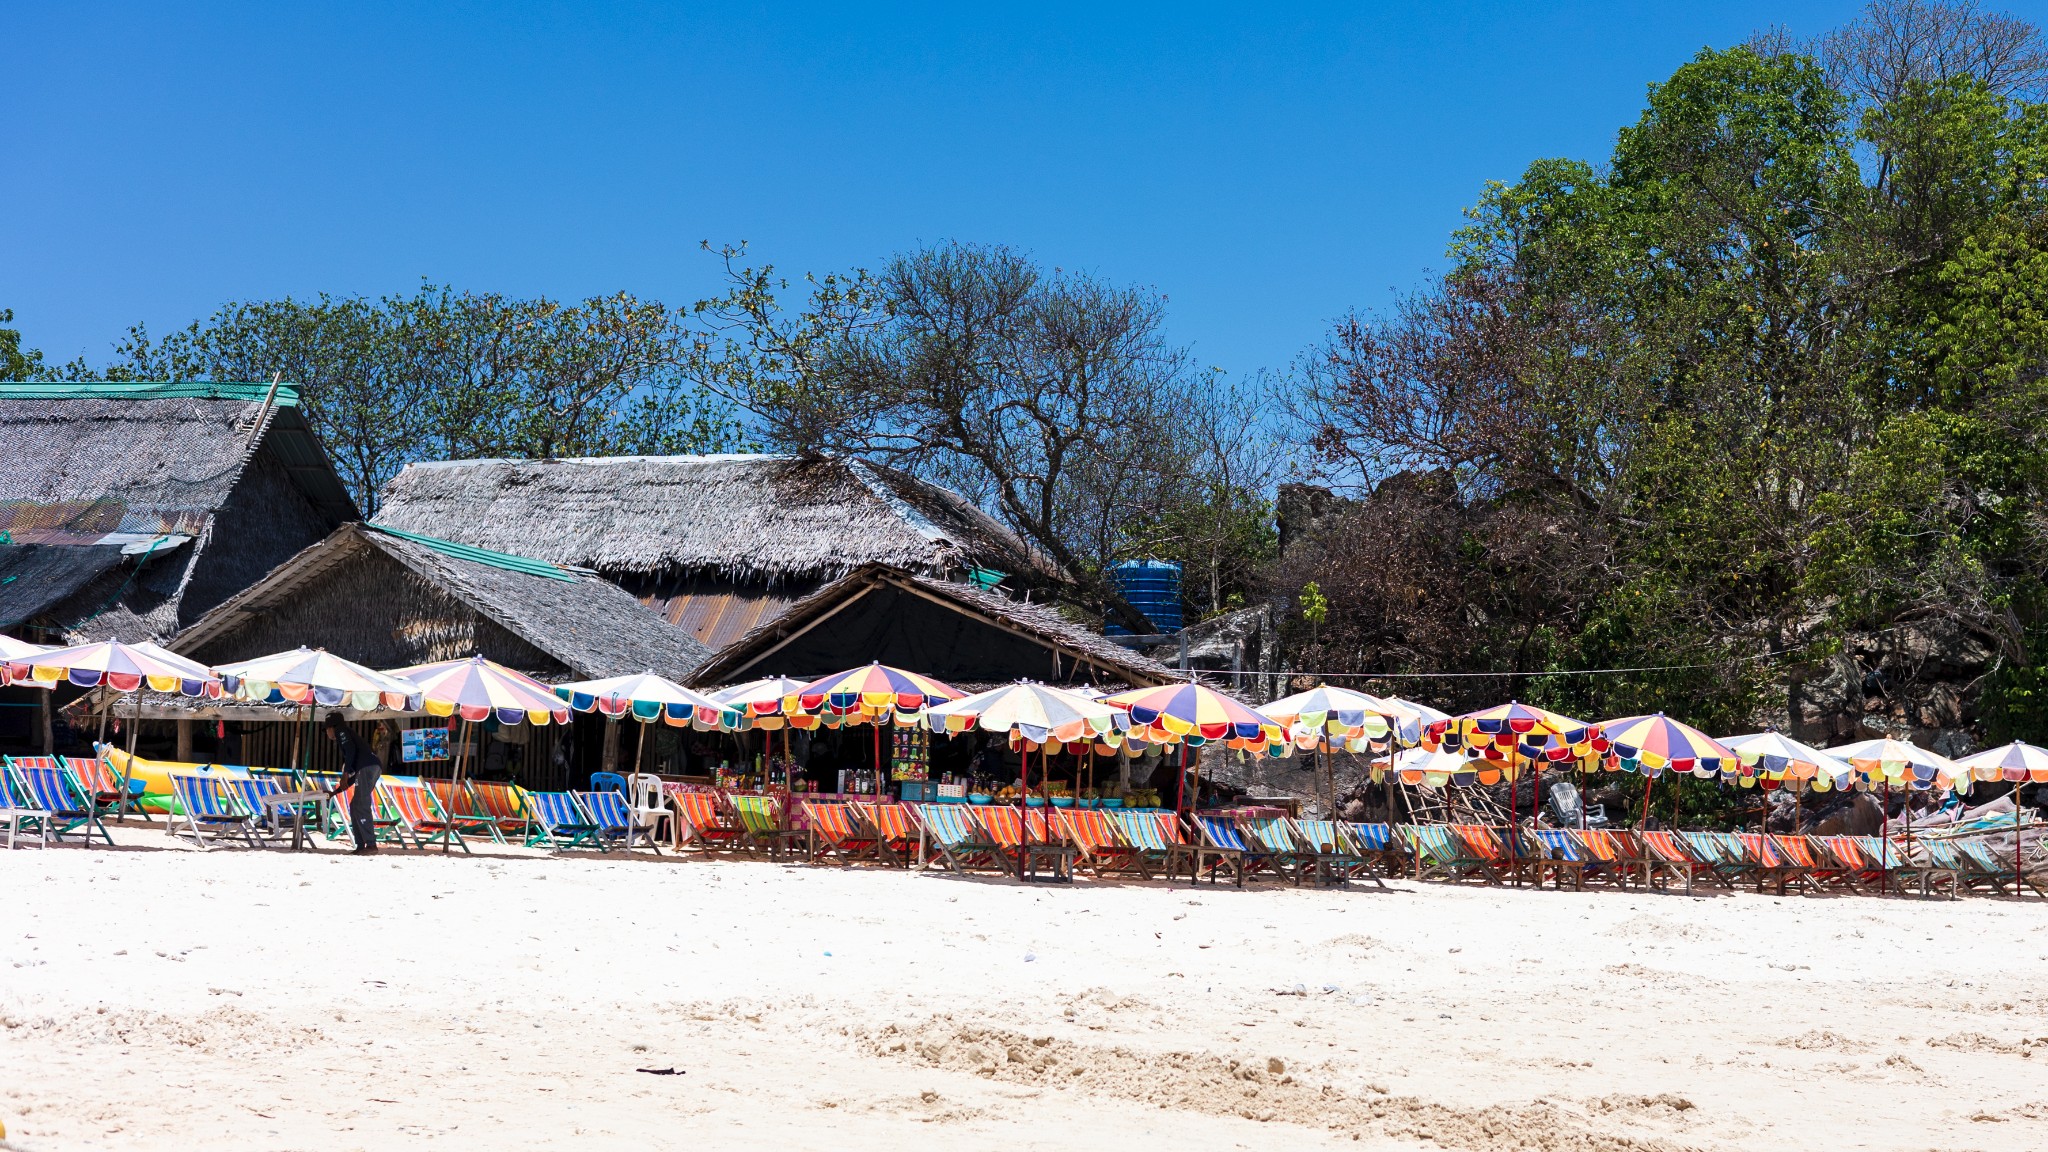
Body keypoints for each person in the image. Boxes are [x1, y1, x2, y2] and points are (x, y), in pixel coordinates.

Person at [325, 712, 382, 854]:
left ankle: (371, 845)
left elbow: (350, 751)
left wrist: (344, 774)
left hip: (367, 768)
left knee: (361, 804)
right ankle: (361, 845)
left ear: (333, 727)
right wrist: (335, 792)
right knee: (355, 804)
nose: (327, 732)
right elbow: (353, 776)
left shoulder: (341, 731)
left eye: (327, 728)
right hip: (372, 767)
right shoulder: (348, 734)